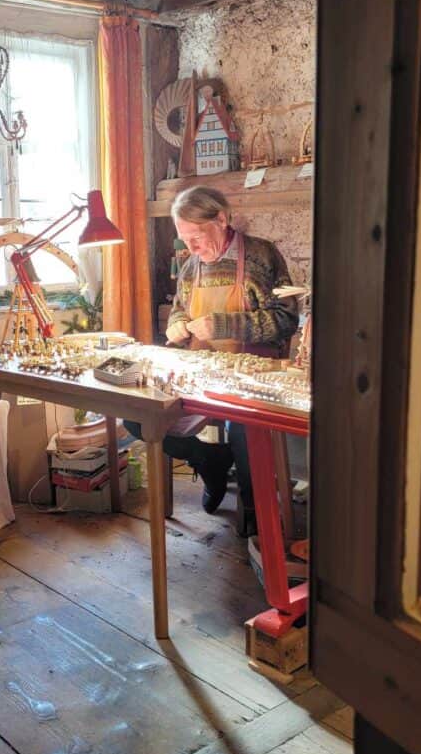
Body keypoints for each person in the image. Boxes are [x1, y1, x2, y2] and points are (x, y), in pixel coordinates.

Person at [125, 185, 298, 536]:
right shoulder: (191, 267)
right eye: (184, 240)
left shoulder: (262, 257)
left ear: (221, 219)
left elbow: (286, 319)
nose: (190, 248)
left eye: (196, 237)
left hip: (253, 373)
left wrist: (224, 324)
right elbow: (179, 311)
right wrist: (177, 326)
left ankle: (255, 515)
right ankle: (209, 461)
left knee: (244, 428)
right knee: (138, 416)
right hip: (202, 371)